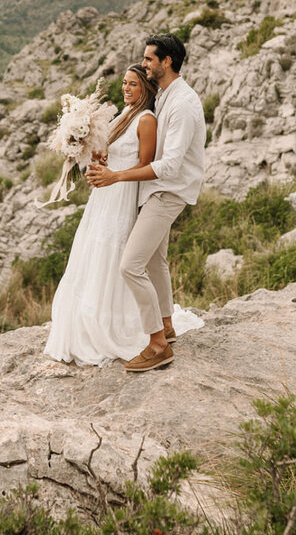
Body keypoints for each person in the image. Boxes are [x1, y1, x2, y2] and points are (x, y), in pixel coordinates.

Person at [87, 33, 206, 372]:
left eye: (149, 59)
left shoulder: (183, 104)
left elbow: (169, 164)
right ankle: (166, 326)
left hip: (169, 191)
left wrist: (116, 177)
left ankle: (157, 345)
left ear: (167, 61)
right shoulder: (168, 95)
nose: (144, 65)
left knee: (130, 266)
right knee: (155, 262)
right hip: (158, 189)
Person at [43, 65, 158, 366]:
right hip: (103, 194)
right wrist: (87, 151)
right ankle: (86, 317)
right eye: (124, 83)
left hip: (121, 194)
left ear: (146, 87)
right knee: (91, 249)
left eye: (133, 84)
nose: (126, 88)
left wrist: (114, 174)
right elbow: (111, 152)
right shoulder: (123, 115)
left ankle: (115, 322)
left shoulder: (146, 120)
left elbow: (146, 168)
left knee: (113, 252)